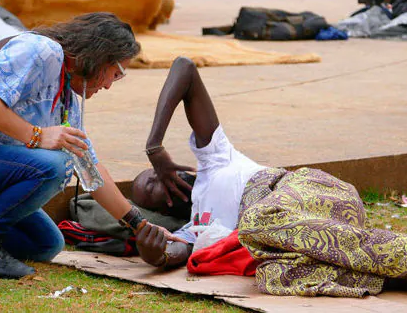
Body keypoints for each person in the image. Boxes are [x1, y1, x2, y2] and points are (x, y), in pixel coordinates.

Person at [0, 12, 181, 279]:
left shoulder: (67, 100)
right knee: (56, 166)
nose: (109, 85)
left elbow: (91, 171)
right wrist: (36, 135)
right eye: (116, 73)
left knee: (45, 244)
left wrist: (140, 225)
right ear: (98, 56)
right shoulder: (42, 51)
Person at [133, 56, 407, 297]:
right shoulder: (195, 227)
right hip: (313, 230)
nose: (162, 175)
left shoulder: (214, 159)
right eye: (152, 185)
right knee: (272, 274)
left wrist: (155, 147)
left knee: (254, 222)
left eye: (155, 172)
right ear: (162, 206)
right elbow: (176, 253)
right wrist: (155, 255)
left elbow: (185, 67)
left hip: (315, 193)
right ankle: (389, 273)